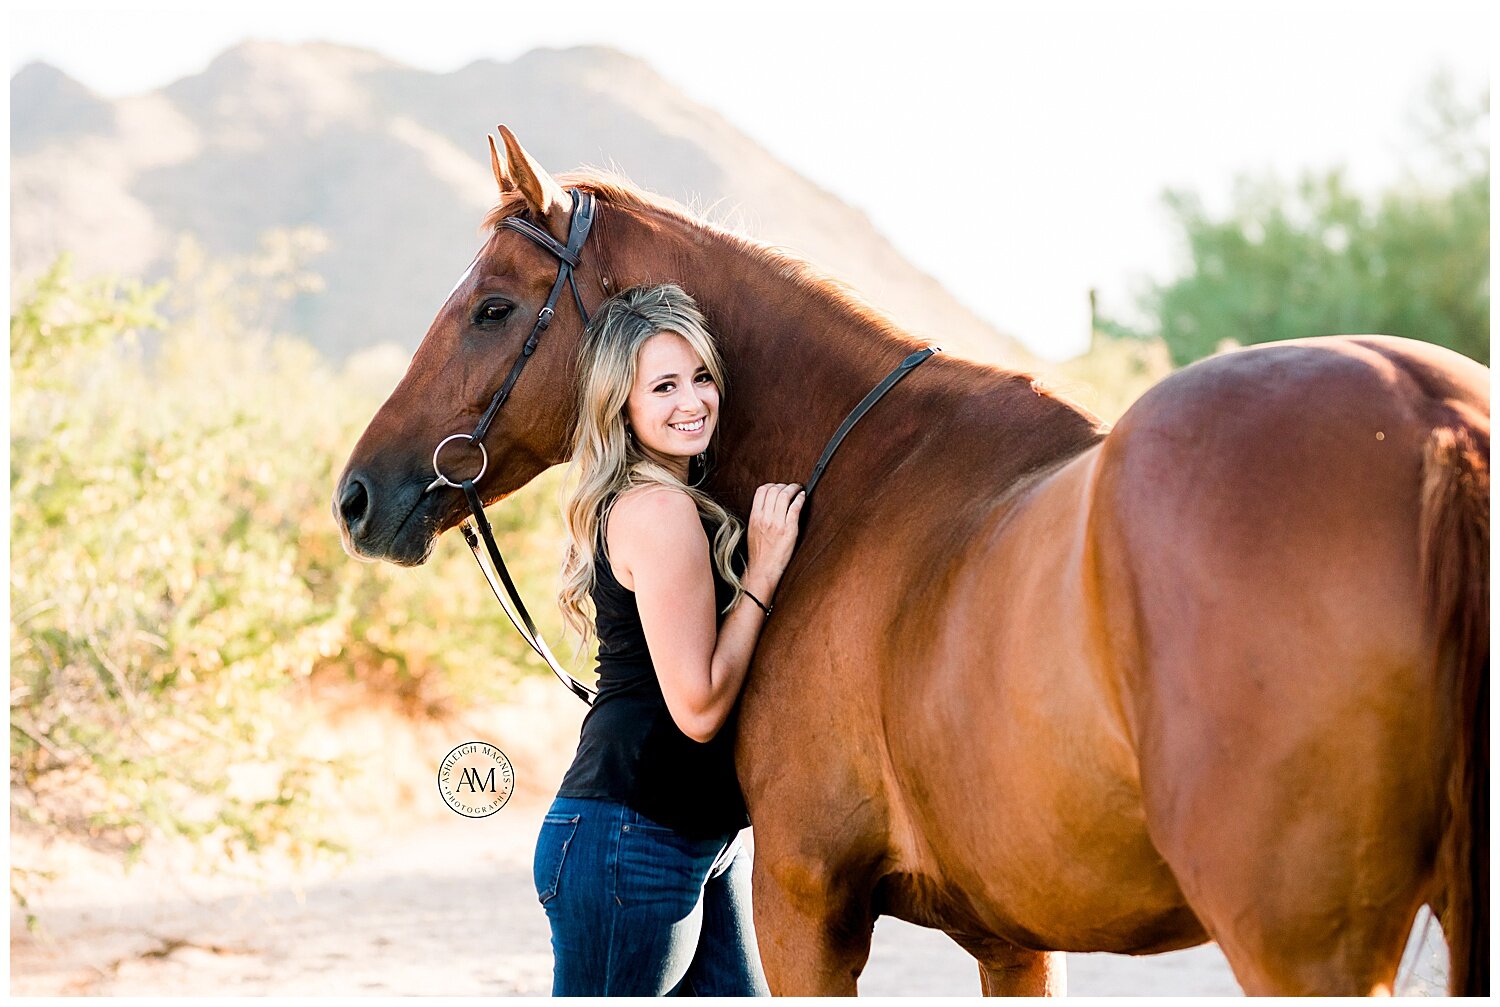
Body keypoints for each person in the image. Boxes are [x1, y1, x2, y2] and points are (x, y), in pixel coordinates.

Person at [534, 282, 803, 996]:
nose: (693, 402)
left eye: (701, 377)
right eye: (663, 386)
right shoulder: (659, 510)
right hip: (630, 838)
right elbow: (700, 706)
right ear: (622, 406)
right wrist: (764, 572)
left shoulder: (660, 500)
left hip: (692, 839)